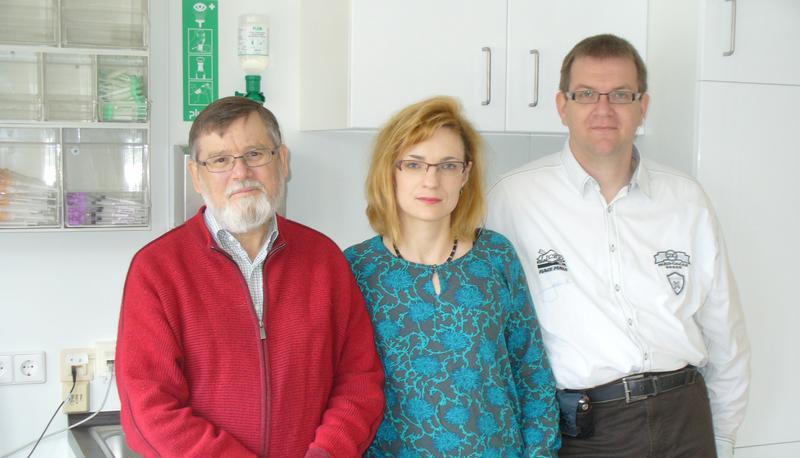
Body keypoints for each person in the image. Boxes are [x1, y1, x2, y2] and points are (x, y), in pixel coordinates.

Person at [486, 34, 750, 457]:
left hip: (686, 417)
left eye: (621, 95)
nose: (603, 109)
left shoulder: (687, 199)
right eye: (586, 93)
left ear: (642, 107)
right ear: (562, 105)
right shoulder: (512, 200)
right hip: (585, 431)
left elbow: (726, 332)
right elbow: (496, 332)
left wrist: (725, 436)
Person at [116, 96, 385, 457]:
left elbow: (359, 382)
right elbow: (149, 406)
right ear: (196, 175)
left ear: (282, 161)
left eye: (255, 154)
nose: (240, 172)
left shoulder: (325, 260)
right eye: (220, 160)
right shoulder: (158, 270)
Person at [345, 96, 560, 456]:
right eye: (414, 164)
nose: (431, 181)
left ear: (465, 174)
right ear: (390, 171)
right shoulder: (358, 268)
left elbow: (533, 376)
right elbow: (343, 391)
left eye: (447, 166)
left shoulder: (495, 257)